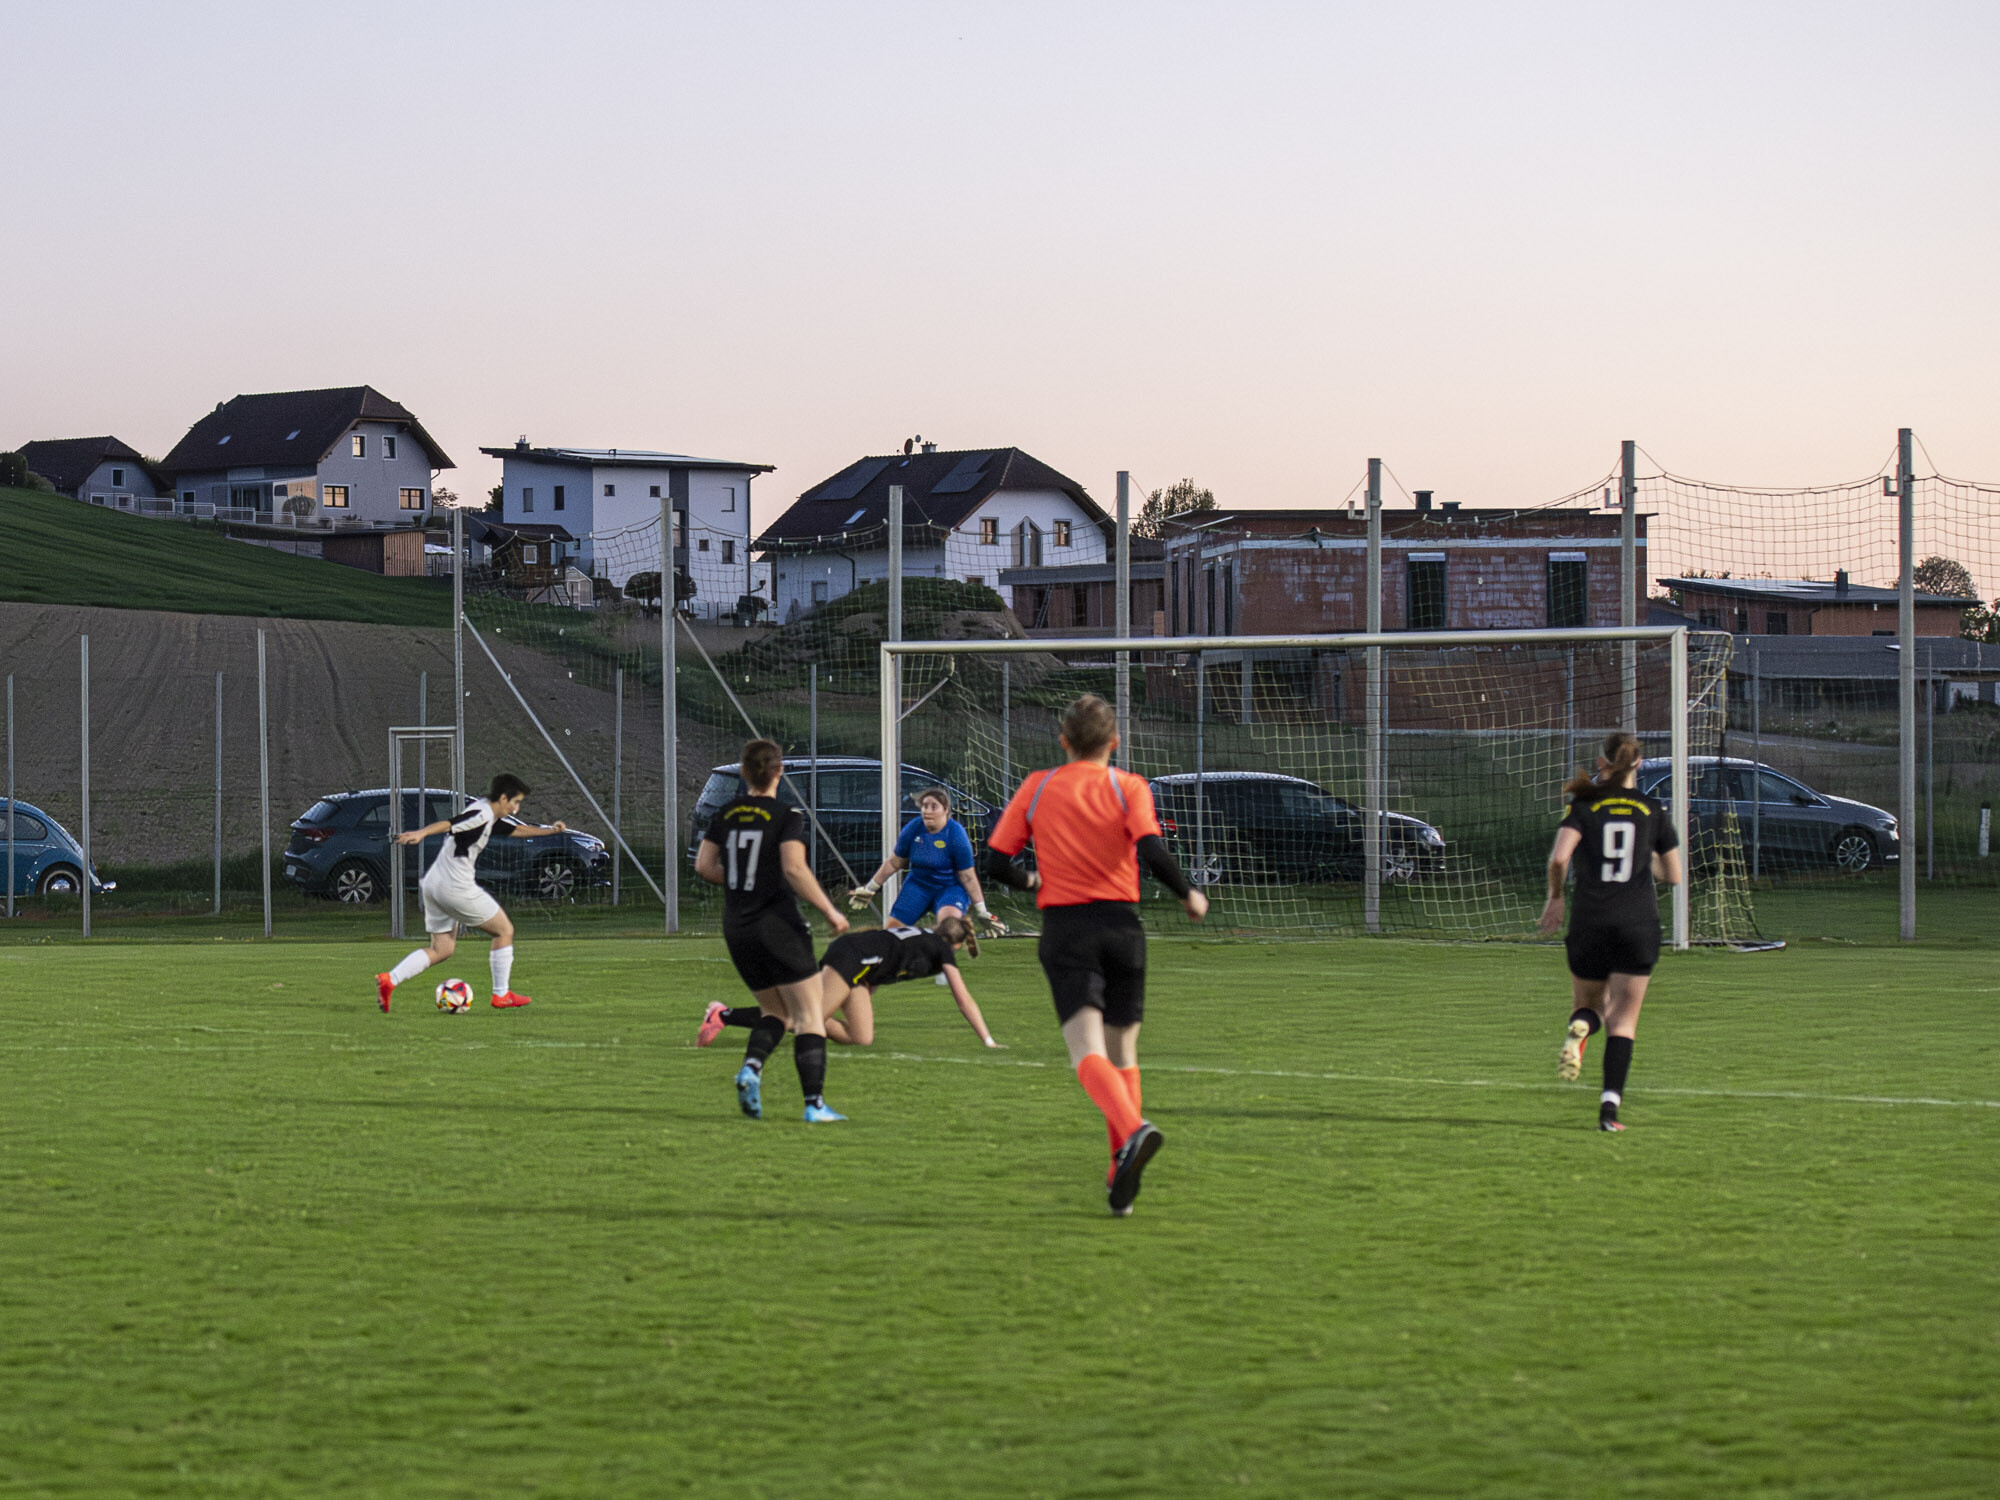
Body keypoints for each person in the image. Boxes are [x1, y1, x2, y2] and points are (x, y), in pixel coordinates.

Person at [981, 694, 1207, 1216]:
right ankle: (1119, 1178)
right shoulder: (1129, 786)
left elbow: (994, 861)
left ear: (1063, 741)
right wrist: (1188, 893)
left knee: (1087, 1053)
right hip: (1124, 929)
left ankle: (1133, 1130)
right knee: (1123, 1054)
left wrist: (1029, 879)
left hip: (1069, 929)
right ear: (1115, 742)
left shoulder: (1038, 787)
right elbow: (1151, 848)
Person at [696, 738, 851, 1123]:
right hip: (778, 925)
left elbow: (704, 866)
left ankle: (751, 1069)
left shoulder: (726, 813)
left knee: (775, 1012)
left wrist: (741, 881)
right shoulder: (786, 816)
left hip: (737, 927)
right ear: (778, 772)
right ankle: (814, 1105)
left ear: (744, 772)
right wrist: (829, 910)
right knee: (809, 1015)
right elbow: (794, 868)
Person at [1538, 730, 1684, 1132]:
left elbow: (1559, 859)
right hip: (1637, 924)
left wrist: (1556, 898)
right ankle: (1609, 1112)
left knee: (1589, 1005)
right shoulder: (1652, 809)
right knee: (1623, 1021)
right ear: (1639, 764)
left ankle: (1582, 1027)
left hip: (1590, 922)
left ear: (1603, 762)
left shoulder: (1584, 805)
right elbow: (1673, 875)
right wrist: (1645, 855)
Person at [374, 773, 564, 1012]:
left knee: (442, 949)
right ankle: (501, 994)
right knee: (504, 931)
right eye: (515, 802)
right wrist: (422, 833)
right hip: (455, 887)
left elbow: (515, 830)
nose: (516, 809)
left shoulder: (487, 814)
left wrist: (550, 831)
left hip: (434, 885)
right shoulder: (481, 814)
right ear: (503, 798)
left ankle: (390, 979)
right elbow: (451, 823)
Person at [698, 912, 1002, 1049]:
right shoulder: (940, 948)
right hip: (851, 958)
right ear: (956, 944)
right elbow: (963, 999)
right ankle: (722, 1015)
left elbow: (885, 961)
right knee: (803, 1020)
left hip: (857, 963)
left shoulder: (924, 939)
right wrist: (988, 1041)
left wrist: (864, 992)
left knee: (861, 1037)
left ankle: (801, 1008)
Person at [848, 787, 1006, 943]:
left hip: (950, 888)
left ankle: (940, 958)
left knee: (951, 930)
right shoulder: (913, 828)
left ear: (945, 810)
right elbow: (894, 862)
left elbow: (968, 877)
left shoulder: (956, 835)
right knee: (891, 936)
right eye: (924, 806)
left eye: (933, 806)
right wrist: (870, 888)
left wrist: (981, 911)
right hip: (918, 885)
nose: (927, 811)